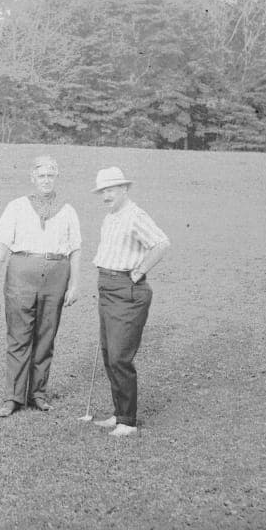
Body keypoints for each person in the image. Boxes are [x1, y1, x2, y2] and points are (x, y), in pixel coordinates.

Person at [0, 155, 81, 417]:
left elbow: (75, 251)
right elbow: (2, 244)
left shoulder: (68, 210)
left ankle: (37, 393)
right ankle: (13, 397)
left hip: (56, 275)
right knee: (19, 335)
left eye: (51, 175)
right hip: (21, 274)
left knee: (46, 336)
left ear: (56, 177)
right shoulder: (16, 206)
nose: (46, 180)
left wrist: (75, 284)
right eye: (42, 176)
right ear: (33, 178)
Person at [89, 166, 171, 437]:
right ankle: (119, 413)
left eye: (110, 190)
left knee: (120, 356)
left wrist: (137, 272)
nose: (105, 196)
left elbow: (161, 243)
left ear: (124, 189)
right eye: (103, 191)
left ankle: (128, 422)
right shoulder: (111, 217)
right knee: (109, 354)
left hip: (128, 291)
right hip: (107, 287)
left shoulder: (135, 215)